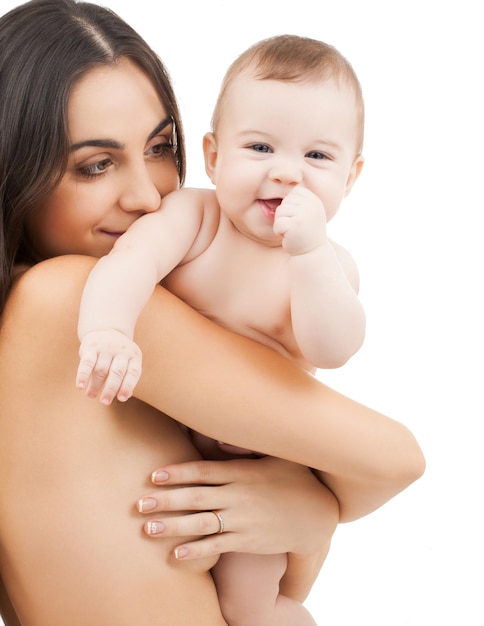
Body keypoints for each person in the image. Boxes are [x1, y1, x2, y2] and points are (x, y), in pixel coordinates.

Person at [0, 2, 425, 626]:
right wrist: (313, 509)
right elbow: (395, 459)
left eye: (158, 148)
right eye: (95, 164)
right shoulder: (67, 299)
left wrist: (301, 520)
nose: (148, 196)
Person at [76, 34, 366, 625]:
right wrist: (107, 329)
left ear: (352, 177)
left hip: (258, 470)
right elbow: (128, 265)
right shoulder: (193, 217)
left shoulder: (327, 266)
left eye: (318, 158)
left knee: (244, 603)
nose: (287, 173)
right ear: (213, 157)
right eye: (260, 147)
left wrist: (309, 257)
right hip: (161, 431)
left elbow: (333, 351)